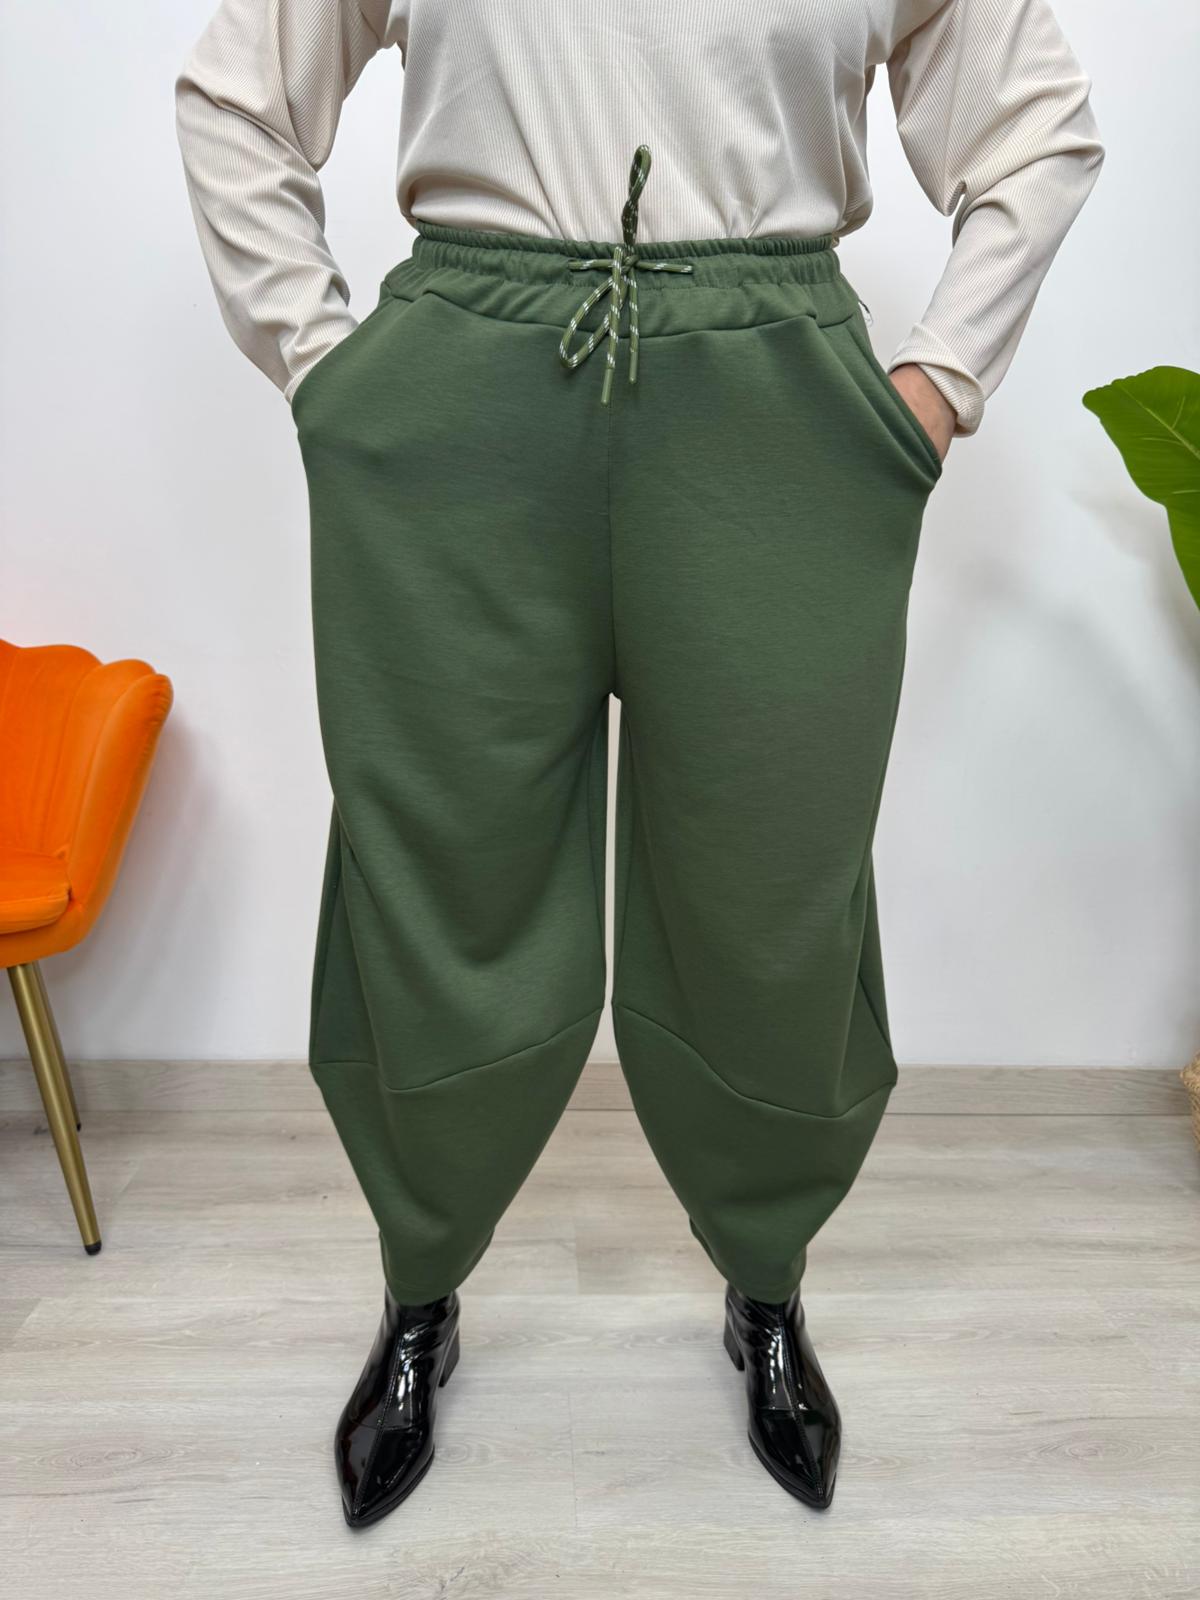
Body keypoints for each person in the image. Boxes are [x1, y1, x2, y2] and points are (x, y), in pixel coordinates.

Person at [175, 0, 1104, 1528]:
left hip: (775, 408)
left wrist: (939, 382)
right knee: (439, 858)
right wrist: (322, 361)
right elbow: (239, 93)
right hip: (464, 395)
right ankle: (419, 1283)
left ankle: (767, 1283)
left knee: (773, 874)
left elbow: (1035, 129)